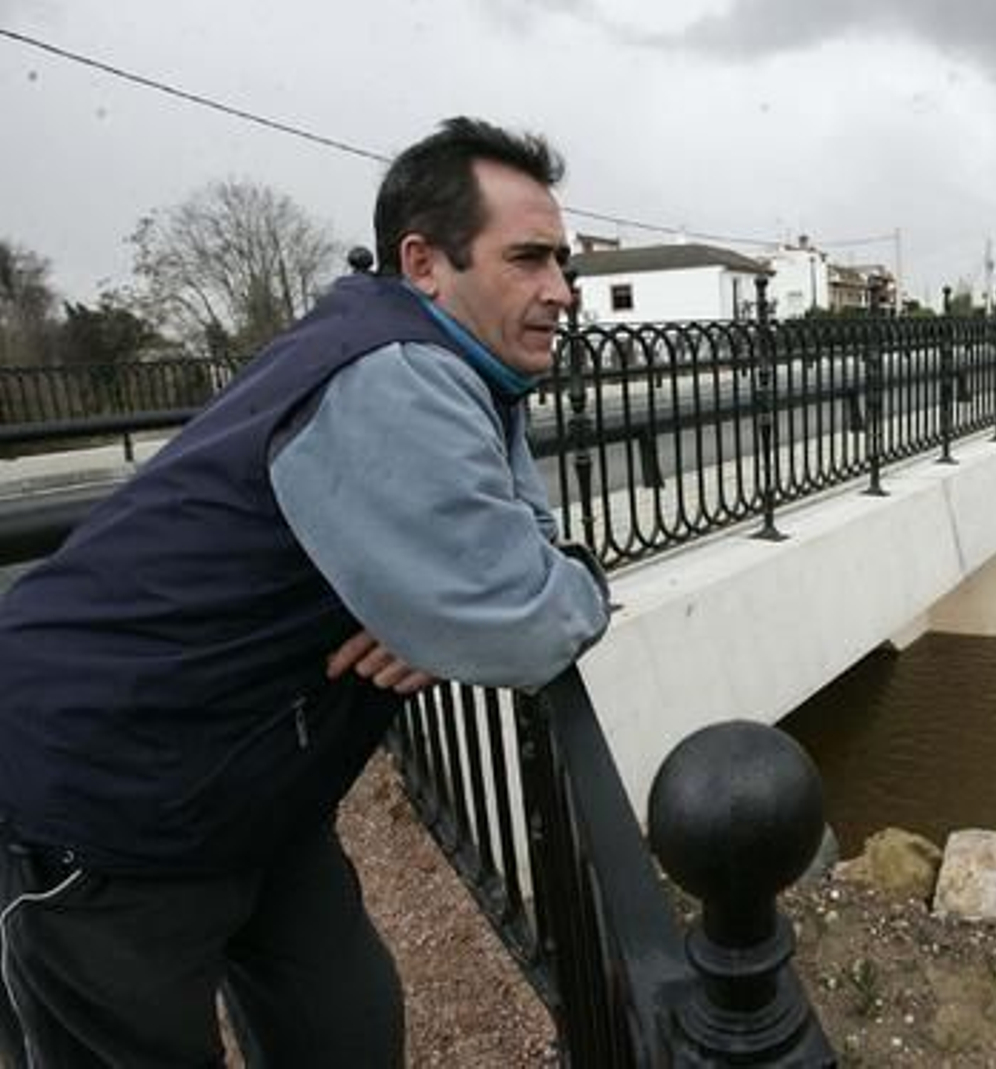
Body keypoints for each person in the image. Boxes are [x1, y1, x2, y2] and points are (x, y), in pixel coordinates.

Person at [0, 117, 611, 1068]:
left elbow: (513, 564)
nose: (561, 291)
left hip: (253, 789)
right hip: (104, 793)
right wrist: (529, 599)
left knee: (346, 1026)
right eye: (529, 259)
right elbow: (529, 625)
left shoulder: (459, 368)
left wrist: (444, 609)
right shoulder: (394, 374)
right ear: (424, 262)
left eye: (563, 263)